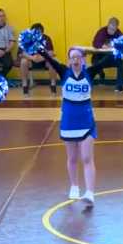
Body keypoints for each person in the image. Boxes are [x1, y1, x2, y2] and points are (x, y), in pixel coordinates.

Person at [38, 46, 101, 205]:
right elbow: (50, 59)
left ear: (83, 59)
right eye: (72, 57)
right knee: (72, 158)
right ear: (69, 60)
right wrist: (40, 49)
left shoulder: (90, 72)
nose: (75, 60)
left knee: (87, 157)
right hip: (69, 121)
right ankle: (74, 186)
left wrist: (118, 51)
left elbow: (106, 61)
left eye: (78, 57)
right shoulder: (63, 71)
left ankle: (90, 193)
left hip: (86, 120)